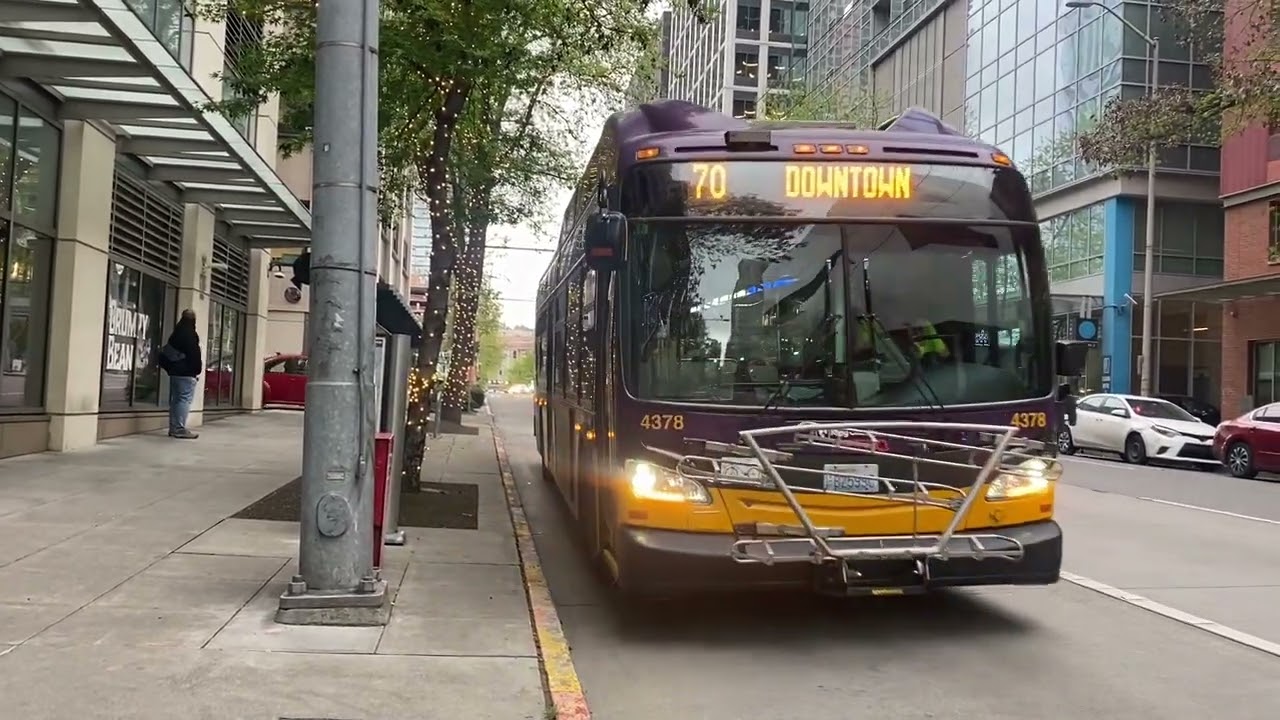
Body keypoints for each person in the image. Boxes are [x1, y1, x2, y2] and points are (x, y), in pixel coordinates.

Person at [163, 309, 202, 439]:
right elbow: (194, 355)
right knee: (184, 400)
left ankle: (173, 427)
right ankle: (179, 428)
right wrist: (196, 370)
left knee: (175, 400)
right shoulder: (191, 334)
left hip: (175, 373)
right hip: (186, 373)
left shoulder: (176, 333)